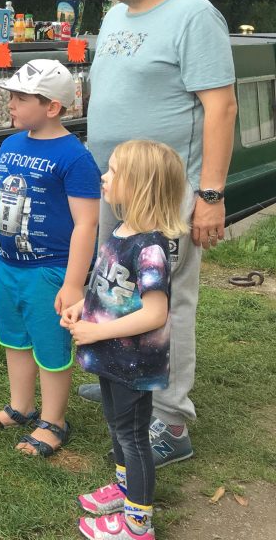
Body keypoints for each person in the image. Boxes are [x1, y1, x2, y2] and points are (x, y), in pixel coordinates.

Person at [83, 0, 238, 467]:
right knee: (118, 284)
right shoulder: (115, 14)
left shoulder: (194, 16)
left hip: (166, 190)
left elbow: (221, 107)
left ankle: (171, 419)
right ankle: (128, 375)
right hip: (115, 184)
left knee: (168, 300)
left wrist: (210, 195)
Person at [0, 59, 100, 456]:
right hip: (5, 263)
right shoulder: (11, 144)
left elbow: (86, 224)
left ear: (52, 106)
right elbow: (0, 193)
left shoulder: (75, 158)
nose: (10, 105)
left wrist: (72, 284)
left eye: (19, 98)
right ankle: (21, 407)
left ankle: (54, 421)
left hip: (47, 271)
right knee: (14, 339)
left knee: (50, 345)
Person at [63, 139, 190, 540]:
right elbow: (112, 290)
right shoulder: (120, 231)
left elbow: (154, 312)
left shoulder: (150, 247)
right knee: (117, 428)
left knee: (133, 437)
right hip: (110, 357)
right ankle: (123, 491)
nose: (104, 176)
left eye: (113, 171)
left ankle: (137, 524)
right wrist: (83, 305)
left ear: (139, 184)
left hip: (134, 364)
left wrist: (97, 330)